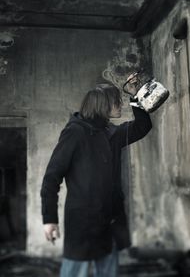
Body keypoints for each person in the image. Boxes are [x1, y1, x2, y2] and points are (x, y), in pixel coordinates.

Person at [40, 74, 152, 277]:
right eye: (116, 102)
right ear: (102, 105)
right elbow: (51, 177)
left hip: (109, 220)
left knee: (108, 273)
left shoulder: (112, 133)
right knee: (75, 273)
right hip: (83, 222)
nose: (120, 105)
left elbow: (143, 127)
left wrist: (135, 96)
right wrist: (49, 219)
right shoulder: (75, 132)